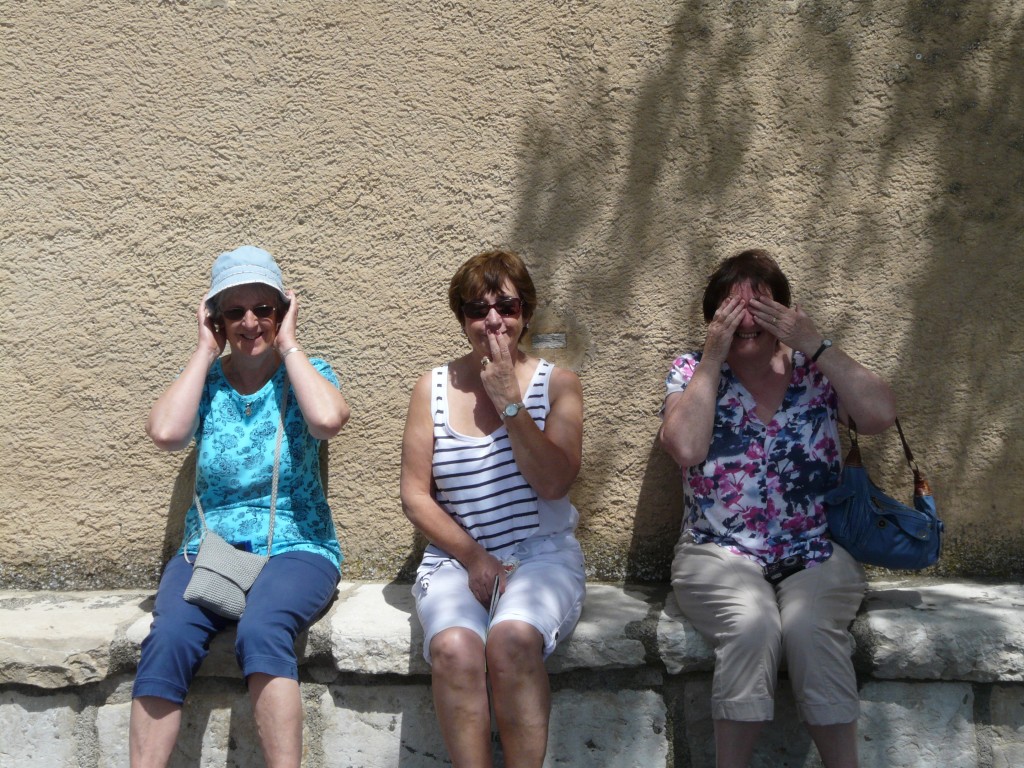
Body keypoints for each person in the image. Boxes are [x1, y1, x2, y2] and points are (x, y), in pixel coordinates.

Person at [659, 249, 896, 768]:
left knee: (812, 629)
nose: (747, 322)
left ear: (785, 313)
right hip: (716, 551)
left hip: (815, 547)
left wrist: (814, 343)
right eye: (732, 309)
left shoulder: (815, 371)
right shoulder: (690, 371)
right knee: (751, 624)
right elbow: (685, 448)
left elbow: (879, 415)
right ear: (712, 318)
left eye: (761, 307)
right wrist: (713, 358)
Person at [129, 245, 350, 768]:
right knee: (169, 637)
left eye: (264, 310)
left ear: (282, 311)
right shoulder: (204, 382)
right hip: (209, 548)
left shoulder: (308, 372)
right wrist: (203, 352)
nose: (251, 323)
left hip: (297, 544)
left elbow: (327, 422)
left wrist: (290, 344)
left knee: (262, 627)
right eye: (234, 312)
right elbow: (165, 433)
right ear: (216, 319)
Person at [400, 249, 586, 768]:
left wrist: (509, 402)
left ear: (525, 311)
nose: (493, 321)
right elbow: (415, 495)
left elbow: (553, 482)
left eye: (505, 305)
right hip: (458, 559)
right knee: (455, 650)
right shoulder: (432, 388)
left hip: (541, 556)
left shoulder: (558, 384)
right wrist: (474, 557)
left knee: (511, 640)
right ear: (461, 319)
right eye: (477, 309)